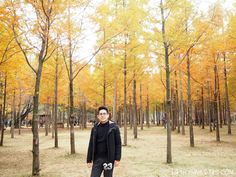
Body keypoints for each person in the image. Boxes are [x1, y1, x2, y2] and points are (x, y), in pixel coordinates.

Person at [87, 106, 122, 177]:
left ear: (108, 115)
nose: (102, 115)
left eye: (104, 113)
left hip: (109, 159)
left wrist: (117, 158)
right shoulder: (94, 128)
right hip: (97, 159)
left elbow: (118, 144)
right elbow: (91, 144)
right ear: (98, 116)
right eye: (100, 114)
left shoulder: (114, 127)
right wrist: (89, 159)